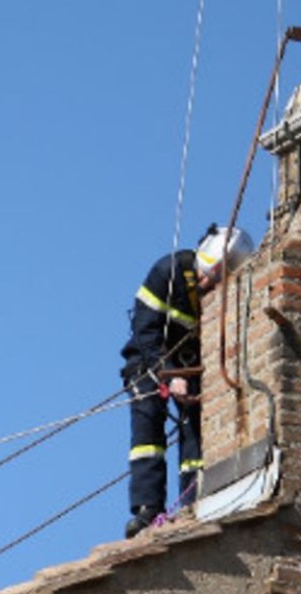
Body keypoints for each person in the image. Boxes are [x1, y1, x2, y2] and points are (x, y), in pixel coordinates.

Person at [119, 224, 254, 538]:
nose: (206, 283)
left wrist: (187, 376)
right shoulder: (167, 273)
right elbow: (146, 330)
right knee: (148, 427)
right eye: (205, 274)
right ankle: (147, 509)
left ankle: (193, 501)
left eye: (215, 280)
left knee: (195, 429)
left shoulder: (226, 294)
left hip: (193, 368)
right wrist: (169, 372)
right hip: (149, 361)